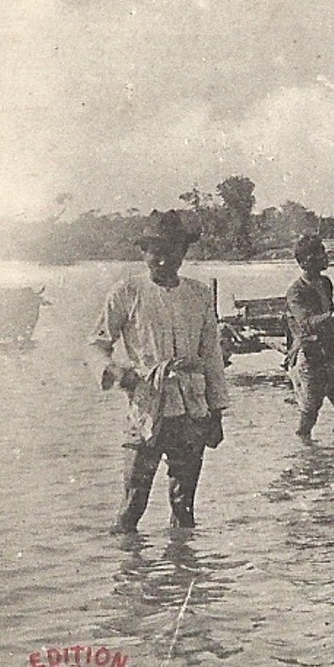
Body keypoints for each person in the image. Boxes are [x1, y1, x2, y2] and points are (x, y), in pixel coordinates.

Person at [89, 210, 228, 532]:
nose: (164, 261)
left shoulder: (199, 295)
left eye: (172, 252)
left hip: (192, 409)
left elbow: (211, 356)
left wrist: (217, 413)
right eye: (157, 253)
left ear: (183, 252)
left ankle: (182, 571)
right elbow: (96, 344)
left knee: (184, 506)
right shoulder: (126, 292)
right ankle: (129, 572)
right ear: (144, 253)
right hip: (147, 406)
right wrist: (115, 371)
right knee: (133, 502)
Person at [284, 233, 334, 442]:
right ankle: (306, 456)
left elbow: (333, 318)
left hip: (330, 356)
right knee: (309, 414)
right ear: (304, 261)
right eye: (318, 253)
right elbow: (306, 323)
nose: (325, 257)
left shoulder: (325, 283)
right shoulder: (296, 292)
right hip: (310, 357)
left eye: (323, 252)